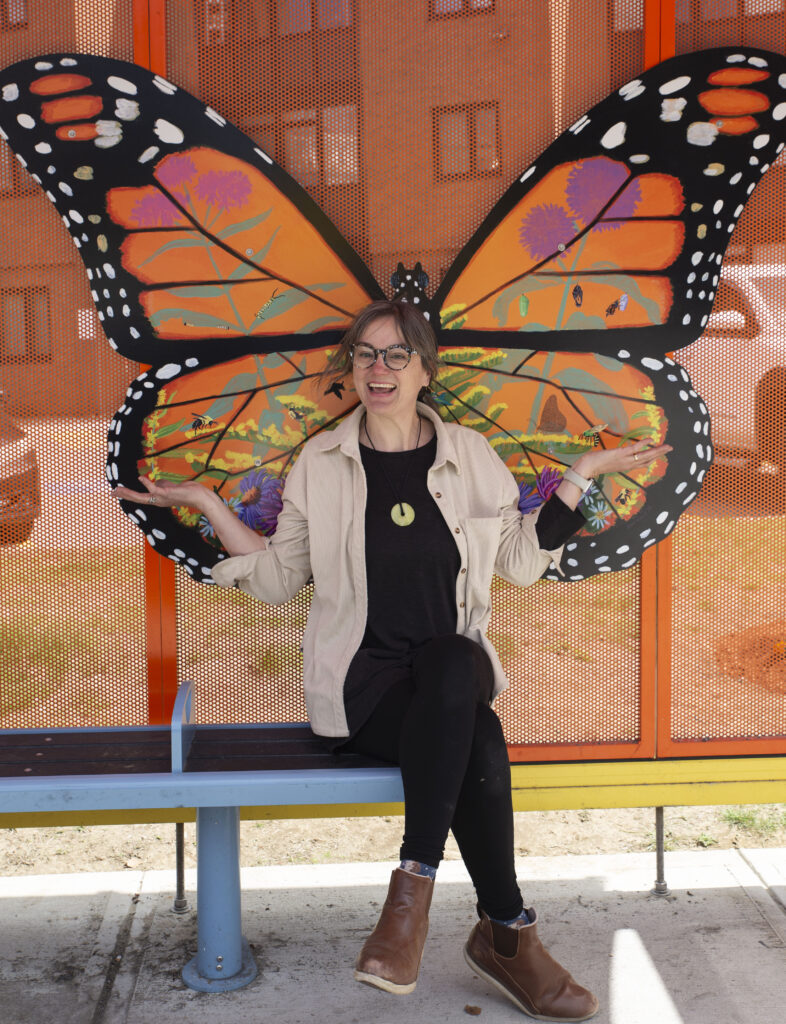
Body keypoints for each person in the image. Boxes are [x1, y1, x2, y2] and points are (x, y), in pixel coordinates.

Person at [114, 300, 671, 1022]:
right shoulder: (320, 462)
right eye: (366, 355)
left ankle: (412, 900)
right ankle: (508, 936)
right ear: (352, 370)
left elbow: (521, 563)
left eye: (396, 355)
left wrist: (583, 473)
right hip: (365, 690)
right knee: (481, 737)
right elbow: (281, 579)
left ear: (424, 370)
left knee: (449, 661)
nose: (379, 369)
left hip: (449, 673)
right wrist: (210, 506)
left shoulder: (471, 456)